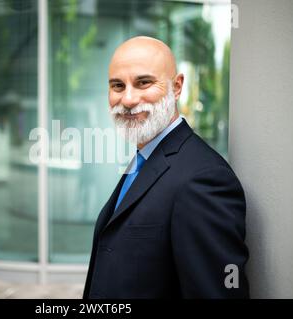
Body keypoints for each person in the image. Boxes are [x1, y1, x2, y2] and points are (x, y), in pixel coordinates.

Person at [83, 36, 249, 299]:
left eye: (144, 82)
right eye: (117, 85)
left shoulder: (204, 179)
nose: (127, 99)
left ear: (177, 86)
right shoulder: (146, 157)